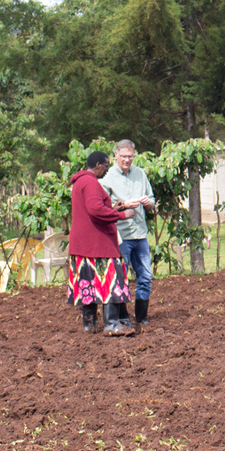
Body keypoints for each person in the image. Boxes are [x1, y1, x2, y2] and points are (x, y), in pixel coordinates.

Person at [68, 151, 136, 335]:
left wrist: (112, 208)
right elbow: (95, 209)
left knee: (88, 283)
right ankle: (112, 325)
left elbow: (91, 207)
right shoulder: (90, 182)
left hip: (82, 244)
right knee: (112, 282)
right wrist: (121, 215)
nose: (107, 170)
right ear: (97, 165)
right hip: (97, 243)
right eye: (106, 165)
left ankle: (89, 325)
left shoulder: (79, 182)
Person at [100, 139, 156, 325]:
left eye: (130, 157)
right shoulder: (107, 178)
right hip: (120, 235)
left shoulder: (140, 174)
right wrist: (123, 206)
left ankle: (142, 317)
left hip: (140, 233)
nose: (127, 160)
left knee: (146, 276)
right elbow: (102, 208)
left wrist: (149, 203)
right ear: (115, 154)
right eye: (123, 156)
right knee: (120, 277)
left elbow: (152, 199)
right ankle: (123, 318)